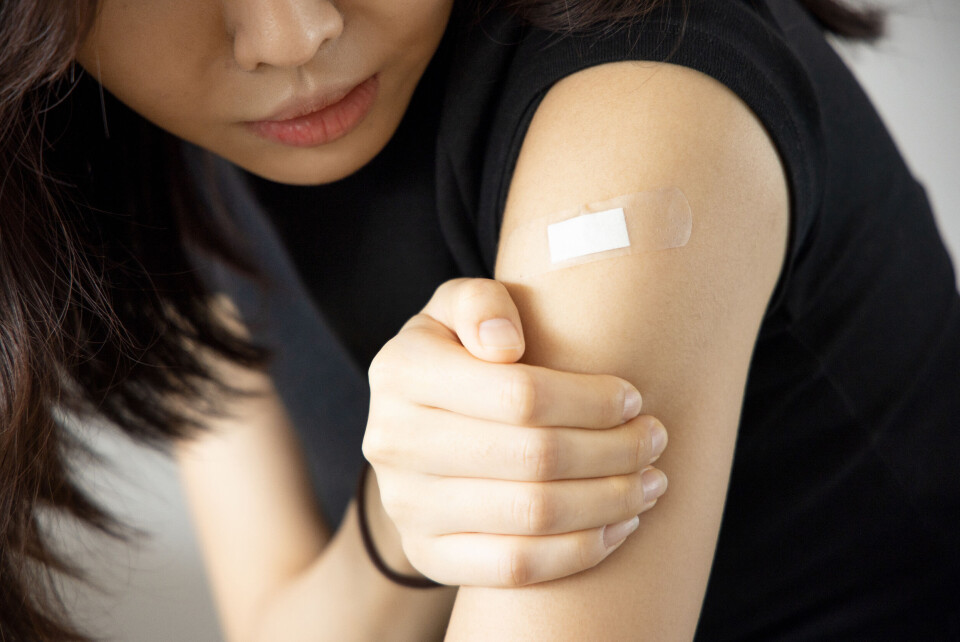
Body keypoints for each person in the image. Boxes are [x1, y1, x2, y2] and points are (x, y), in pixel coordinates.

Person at [1, 0, 958, 640]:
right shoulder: (160, 152)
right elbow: (280, 617)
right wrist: (405, 516)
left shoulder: (644, 110)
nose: (293, 33)